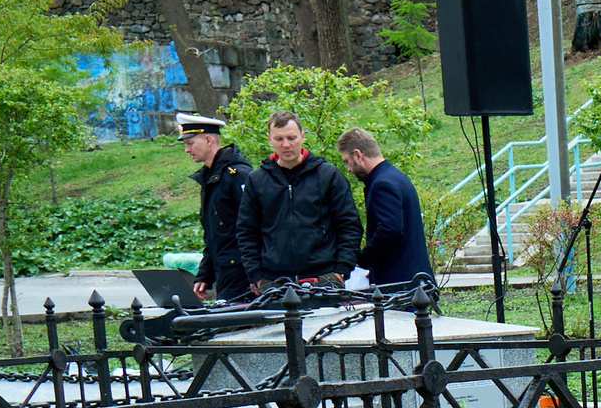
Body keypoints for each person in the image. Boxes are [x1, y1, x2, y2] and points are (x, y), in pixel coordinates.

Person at [234, 110, 360, 293]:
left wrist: (341, 271)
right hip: (273, 281)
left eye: (291, 138)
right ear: (269, 139)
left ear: (302, 136)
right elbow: (246, 232)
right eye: (279, 139)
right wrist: (257, 276)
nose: (286, 145)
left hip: (323, 277)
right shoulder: (257, 180)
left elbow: (349, 225)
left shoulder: (327, 175)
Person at [338, 129, 430, 287]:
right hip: (413, 280)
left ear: (358, 155)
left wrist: (363, 260)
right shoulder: (396, 177)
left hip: (399, 284)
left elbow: (390, 231)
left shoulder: (382, 184)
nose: (349, 169)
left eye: (347, 161)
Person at [178, 112, 253, 303]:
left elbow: (254, 228)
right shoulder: (211, 179)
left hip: (244, 276)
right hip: (226, 273)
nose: (187, 150)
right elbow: (215, 235)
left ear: (209, 140)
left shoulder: (237, 175)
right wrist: (205, 274)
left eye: (190, 143)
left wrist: (256, 275)